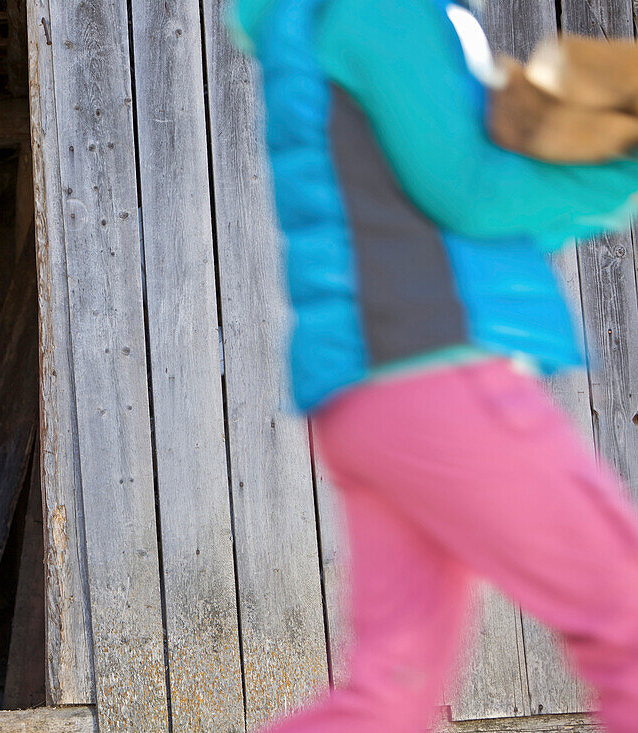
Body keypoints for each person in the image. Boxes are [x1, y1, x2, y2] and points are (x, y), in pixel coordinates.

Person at [229, 0, 638, 731]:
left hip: (374, 393)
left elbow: (466, 220)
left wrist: (596, 193)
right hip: (436, 375)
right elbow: (470, 195)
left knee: (389, 697)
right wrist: (612, 176)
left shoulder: (325, 20)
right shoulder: (380, 13)